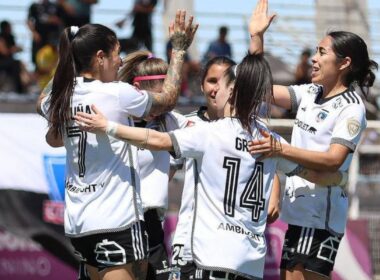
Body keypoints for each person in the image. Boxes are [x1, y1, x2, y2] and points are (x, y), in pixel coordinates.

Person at [74, 52, 348, 280]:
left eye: (223, 83)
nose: (215, 89)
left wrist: (108, 126)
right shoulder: (271, 141)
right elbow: (314, 174)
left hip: (210, 258)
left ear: (233, 91)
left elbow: (155, 140)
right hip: (250, 263)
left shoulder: (210, 132)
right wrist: (340, 180)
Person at [39, 11, 198, 280]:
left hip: (79, 224)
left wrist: (69, 65)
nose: (120, 60)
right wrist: (179, 50)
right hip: (116, 222)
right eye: (116, 53)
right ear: (100, 58)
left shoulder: (60, 96)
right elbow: (168, 98)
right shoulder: (116, 93)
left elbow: (41, 101)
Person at [248, 7, 378, 280]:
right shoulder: (309, 93)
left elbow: (334, 159)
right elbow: (259, 86)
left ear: (344, 63)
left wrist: (281, 149)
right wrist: (256, 38)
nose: (314, 59)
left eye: (322, 52)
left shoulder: (351, 109)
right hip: (298, 214)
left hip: (320, 218)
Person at [118, 50, 189, 280]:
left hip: (151, 222)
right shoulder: (118, 116)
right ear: (138, 90)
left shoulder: (169, 119)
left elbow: (204, 135)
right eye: (163, 95)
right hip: (118, 220)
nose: (168, 100)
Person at [27, 0, 65, 69]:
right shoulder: (34, 6)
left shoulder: (55, 6)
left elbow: (60, 21)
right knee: (37, 62)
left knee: (52, 60)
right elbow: (29, 21)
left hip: (52, 39)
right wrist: (34, 33)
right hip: (39, 39)